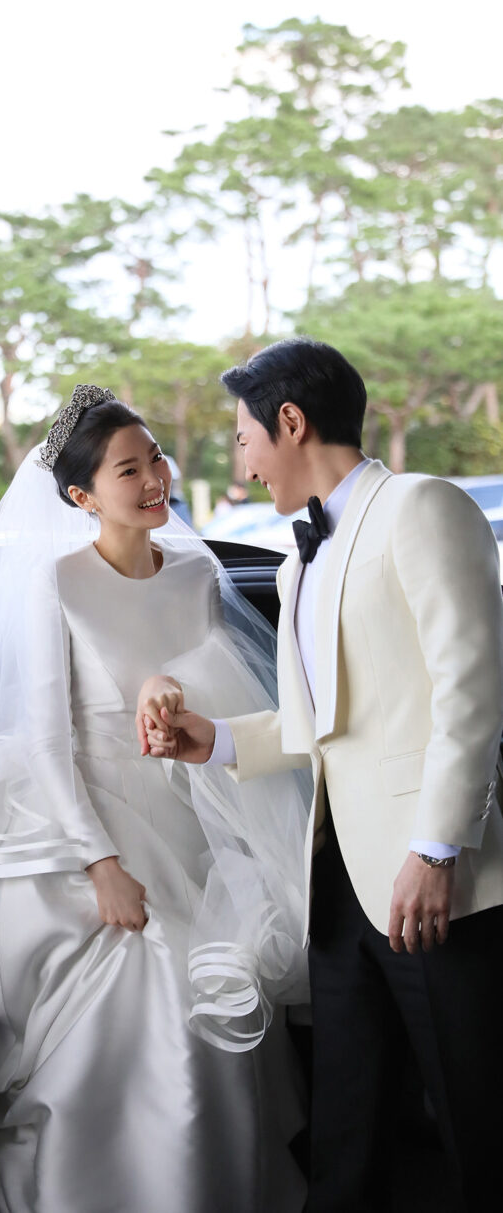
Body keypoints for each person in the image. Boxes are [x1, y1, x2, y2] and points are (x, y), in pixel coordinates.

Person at [0, 385, 312, 1213]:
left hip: (195, 820)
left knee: (228, 1004)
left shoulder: (196, 572)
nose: (154, 479)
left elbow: (222, 691)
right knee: (165, 998)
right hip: (94, 823)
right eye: (127, 469)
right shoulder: (55, 582)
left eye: (156, 459)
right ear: (81, 495)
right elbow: (44, 739)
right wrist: (100, 864)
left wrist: (170, 686)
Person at [138, 338, 503, 1212]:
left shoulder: (423, 506)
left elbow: (474, 692)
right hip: (339, 893)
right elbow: (320, 726)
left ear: (291, 422)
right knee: (348, 1136)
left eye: (244, 438)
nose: (244, 462)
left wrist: (436, 848)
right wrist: (212, 741)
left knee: (479, 1129)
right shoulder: (299, 559)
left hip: (436, 888)